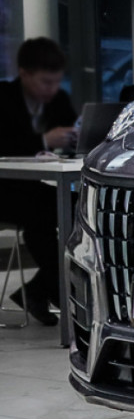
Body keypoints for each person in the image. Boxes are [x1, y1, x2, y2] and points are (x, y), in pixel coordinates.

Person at [0, 37, 76, 325]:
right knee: (43, 216)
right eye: (45, 82)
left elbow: (71, 136)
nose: (52, 89)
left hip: (32, 188)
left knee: (81, 208)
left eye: (56, 81)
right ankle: (51, 289)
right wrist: (44, 140)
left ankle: (40, 289)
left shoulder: (58, 100)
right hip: (5, 189)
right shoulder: (3, 99)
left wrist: (76, 140)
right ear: (24, 74)